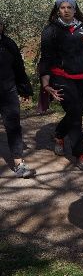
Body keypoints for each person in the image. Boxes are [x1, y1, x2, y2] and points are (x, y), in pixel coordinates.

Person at [38, 0, 83, 171]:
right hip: (61, 77)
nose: (66, 10)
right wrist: (45, 83)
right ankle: (80, 155)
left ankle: (59, 134)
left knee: (75, 112)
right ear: (58, 10)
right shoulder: (50, 31)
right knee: (75, 115)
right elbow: (46, 58)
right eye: (62, 7)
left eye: (69, 7)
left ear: (75, 9)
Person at [0, 18, 36, 178]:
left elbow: (19, 68)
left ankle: (19, 164)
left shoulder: (9, 44)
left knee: (13, 126)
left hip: (8, 92)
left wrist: (25, 89)